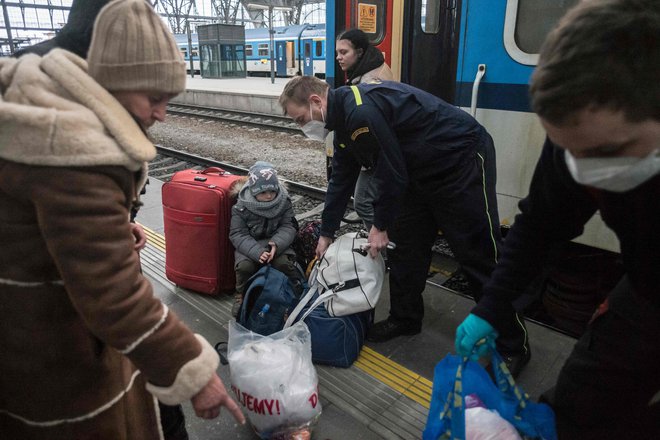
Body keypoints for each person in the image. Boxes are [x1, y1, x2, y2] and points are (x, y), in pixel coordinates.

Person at [0, 0, 245, 438]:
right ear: (110, 75)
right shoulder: (73, 149)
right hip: (61, 351)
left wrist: (106, 225)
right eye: (154, 98)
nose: (161, 114)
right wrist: (192, 370)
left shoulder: (36, 96)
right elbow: (113, 294)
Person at [454, 0, 659, 437]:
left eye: (606, 153)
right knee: (575, 410)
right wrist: (491, 307)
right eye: (570, 152)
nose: (584, 170)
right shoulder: (581, 137)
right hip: (646, 290)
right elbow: (541, 224)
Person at [279, 76, 529, 374]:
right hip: (417, 172)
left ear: (316, 102)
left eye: (300, 119)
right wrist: (327, 233)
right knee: (407, 249)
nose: (302, 126)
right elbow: (341, 178)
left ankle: (514, 346)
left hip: (458, 160)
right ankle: (405, 318)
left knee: (477, 253)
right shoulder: (342, 121)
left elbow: (390, 171)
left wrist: (379, 225)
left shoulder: (360, 113)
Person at [334, 28, 394, 229]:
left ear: (359, 52)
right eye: (337, 53)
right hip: (381, 153)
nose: (338, 58)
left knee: (362, 201)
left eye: (344, 53)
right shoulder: (367, 68)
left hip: (382, 153)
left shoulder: (370, 81)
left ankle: (382, 244)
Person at [229, 161, 300, 318]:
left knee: (283, 264)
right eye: (263, 192)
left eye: (272, 191)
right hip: (250, 245)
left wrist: (277, 243)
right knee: (244, 267)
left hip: (277, 243)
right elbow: (237, 234)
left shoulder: (283, 201)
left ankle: (292, 288)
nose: (269, 196)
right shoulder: (241, 206)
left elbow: (288, 226)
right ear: (254, 191)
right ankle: (241, 294)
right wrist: (256, 252)